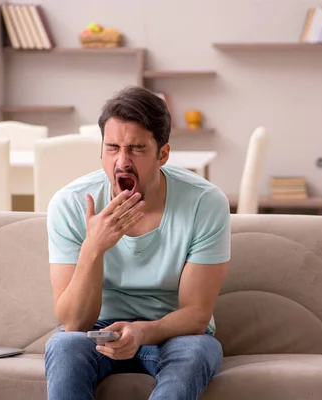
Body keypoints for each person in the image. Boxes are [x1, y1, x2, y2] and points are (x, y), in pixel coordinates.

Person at [44, 86, 231, 400]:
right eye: (112, 147)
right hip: (97, 329)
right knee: (64, 345)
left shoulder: (205, 203)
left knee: (195, 352)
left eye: (136, 148)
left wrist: (144, 331)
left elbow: (197, 314)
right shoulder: (69, 203)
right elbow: (74, 322)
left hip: (175, 333)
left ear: (163, 154)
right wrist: (94, 246)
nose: (122, 162)